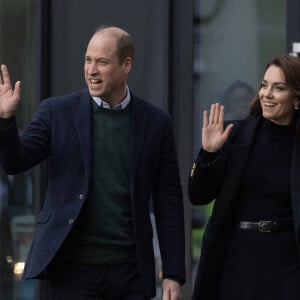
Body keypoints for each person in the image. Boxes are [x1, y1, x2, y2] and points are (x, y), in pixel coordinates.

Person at [0, 25, 185, 300]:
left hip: (131, 271)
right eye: (88, 60)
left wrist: (173, 272)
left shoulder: (156, 122)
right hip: (73, 270)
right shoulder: (56, 112)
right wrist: (5, 120)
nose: (91, 70)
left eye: (102, 62)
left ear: (126, 65)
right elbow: (16, 162)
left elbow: (168, 200)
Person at [188, 54, 300, 300]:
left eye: (278, 88)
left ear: (296, 99)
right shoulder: (235, 135)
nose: (267, 94)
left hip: (288, 264)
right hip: (239, 259)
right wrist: (208, 154)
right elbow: (198, 195)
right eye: (264, 85)